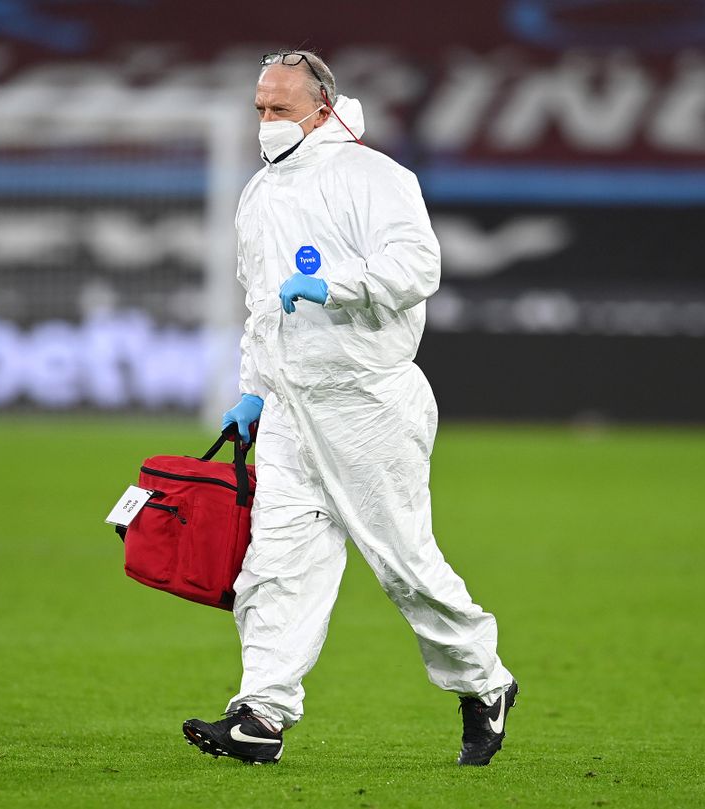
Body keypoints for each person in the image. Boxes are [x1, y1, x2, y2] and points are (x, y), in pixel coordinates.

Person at [181, 49, 516, 767]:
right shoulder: (259, 194)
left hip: (367, 399)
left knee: (403, 566)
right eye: (260, 109)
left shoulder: (375, 177)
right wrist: (253, 387)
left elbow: (418, 265)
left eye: (279, 108)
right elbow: (258, 306)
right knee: (275, 564)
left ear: (323, 107)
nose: (266, 122)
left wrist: (335, 287)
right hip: (290, 408)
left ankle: (484, 679)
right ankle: (260, 713)